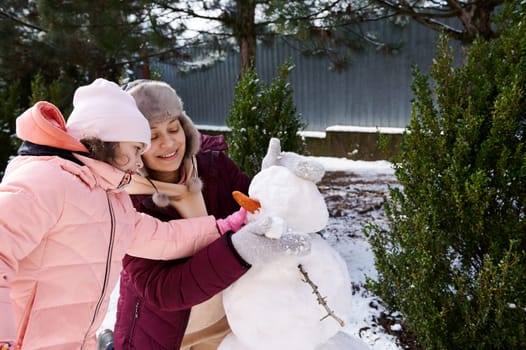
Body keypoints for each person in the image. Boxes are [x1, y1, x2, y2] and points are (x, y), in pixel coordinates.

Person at [0, 78, 251, 349]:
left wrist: (224, 227)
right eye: (136, 148)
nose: (139, 161)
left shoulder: (109, 196)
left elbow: (163, 238)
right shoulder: (46, 179)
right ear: (111, 140)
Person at [112, 80, 252, 349]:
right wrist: (237, 251)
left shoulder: (213, 166)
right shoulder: (125, 198)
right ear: (133, 146)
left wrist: (280, 185)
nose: (168, 143)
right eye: (153, 136)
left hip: (228, 326)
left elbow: (257, 203)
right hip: (160, 336)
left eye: (173, 128)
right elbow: (160, 289)